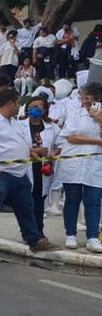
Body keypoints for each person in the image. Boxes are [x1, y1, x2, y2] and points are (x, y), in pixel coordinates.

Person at [0, 88, 59, 262]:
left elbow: (17, 142)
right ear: (10, 103)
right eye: (17, 104)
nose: (19, 108)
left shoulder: (13, 121)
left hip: (18, 173)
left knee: (26, 208)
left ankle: (34, 240)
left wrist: (28, 151)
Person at [57, 82, 102, 251]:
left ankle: (92, 237)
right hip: (73, 163)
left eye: (88, 98)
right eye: (83, 98)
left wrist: (99, 119)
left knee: (93, 201)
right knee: (72, 199)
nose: (84, 101)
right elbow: (71, 137)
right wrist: (98, 141)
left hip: (95, 166)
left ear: (97, 99)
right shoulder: (75, 113)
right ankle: (71, 234)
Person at [25, 95, 58, 242]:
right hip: (26, 168)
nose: (35, 109)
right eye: (32, 107)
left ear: (45, 110)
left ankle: (39, 232)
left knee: (39, 201)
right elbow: (14, 145)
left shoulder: (52, 127)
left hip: (43, 168)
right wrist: (36, 151)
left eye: (39, 107)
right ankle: (28, 232)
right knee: (27, 202)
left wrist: (54, 154)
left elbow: (62, 143)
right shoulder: (19, 126)